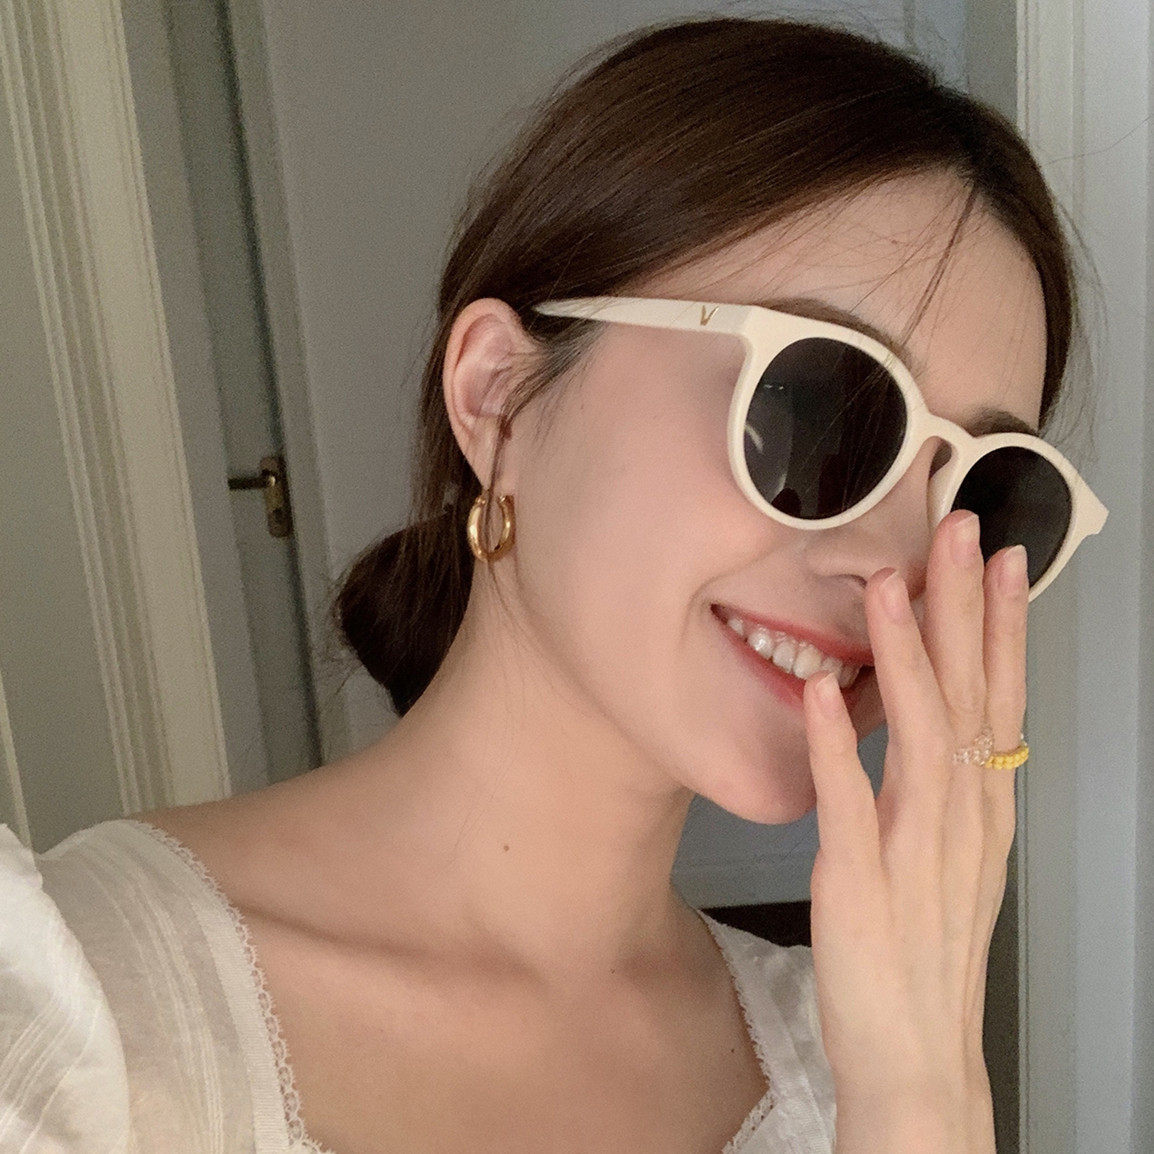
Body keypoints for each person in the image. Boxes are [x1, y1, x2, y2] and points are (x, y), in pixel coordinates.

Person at [0, 15, 1108, 1154]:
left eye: (984, 491)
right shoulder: (65, 1012)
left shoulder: (852, 1049)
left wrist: (921, 1096)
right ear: (497, 394)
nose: (897, 563)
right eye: (817, 405)